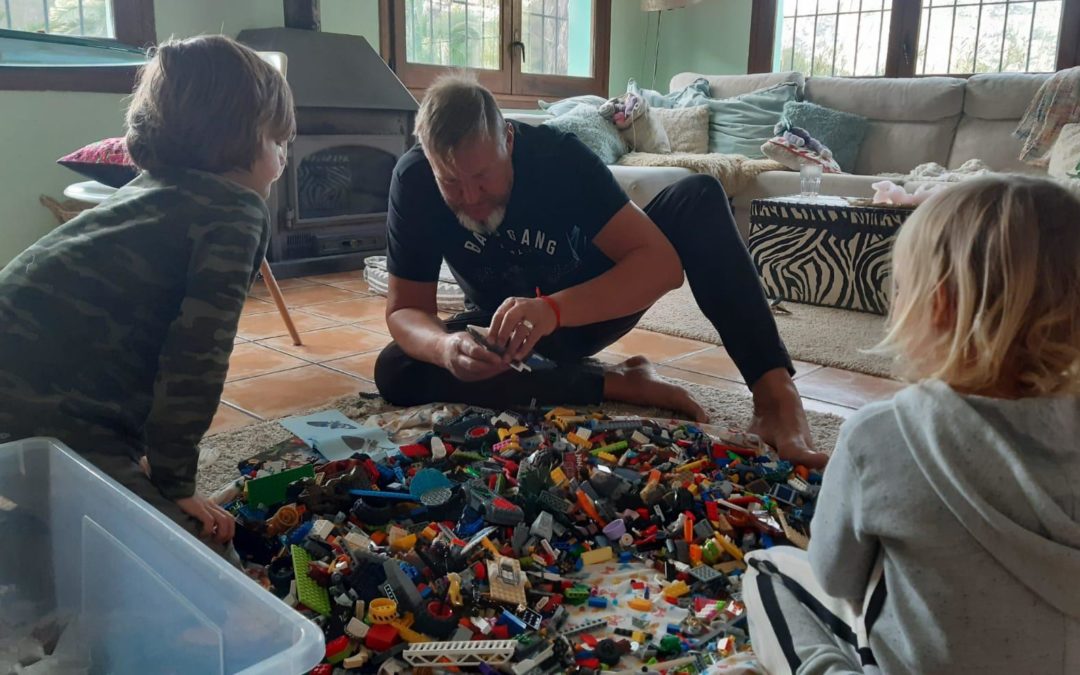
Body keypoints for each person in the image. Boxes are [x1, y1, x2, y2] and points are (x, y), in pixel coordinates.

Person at [374, 74, 825, 468]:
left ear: (508, 140)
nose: (471, 197)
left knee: (699, 198)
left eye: (484, 177)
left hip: (587, 308)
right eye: (450, 182)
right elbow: (406, 311)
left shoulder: (560, 158)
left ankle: (774, 397)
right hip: (505, 339)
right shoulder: (413, 180)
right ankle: (615, 383)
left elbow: (662, 267)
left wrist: (552, 309)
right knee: (396, 368)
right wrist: (446, 347)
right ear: (428, 160)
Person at [743, 175, 1080, 674]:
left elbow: (837, 581)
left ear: (938, 307)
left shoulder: (881, 435)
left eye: (899, 288)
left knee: (767, 572)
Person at [0, 35, 294, 556]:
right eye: (278, 142)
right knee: (200, 555)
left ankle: (58, 520)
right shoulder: (234, 212)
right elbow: (194, 363)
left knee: (102, 504)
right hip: (44, 415)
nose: (283, 158)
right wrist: (176, 481)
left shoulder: (147, 188)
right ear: (241, 139)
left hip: (37, 401)